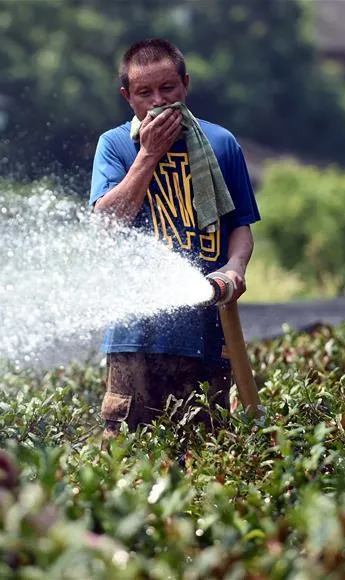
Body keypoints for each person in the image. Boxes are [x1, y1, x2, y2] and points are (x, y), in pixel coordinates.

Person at [89, 38, 261, 440]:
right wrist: (149, 154)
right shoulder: (114, 146)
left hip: (207, 334)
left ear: (185, 85)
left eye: (167, 88)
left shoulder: (221, 144)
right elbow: (107, 225)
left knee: (204, 459)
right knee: (125, 458)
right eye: (144, 93)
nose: (157, 101)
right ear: (126, 97)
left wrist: (234, 268)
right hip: (135, 338)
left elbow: (239, 227)